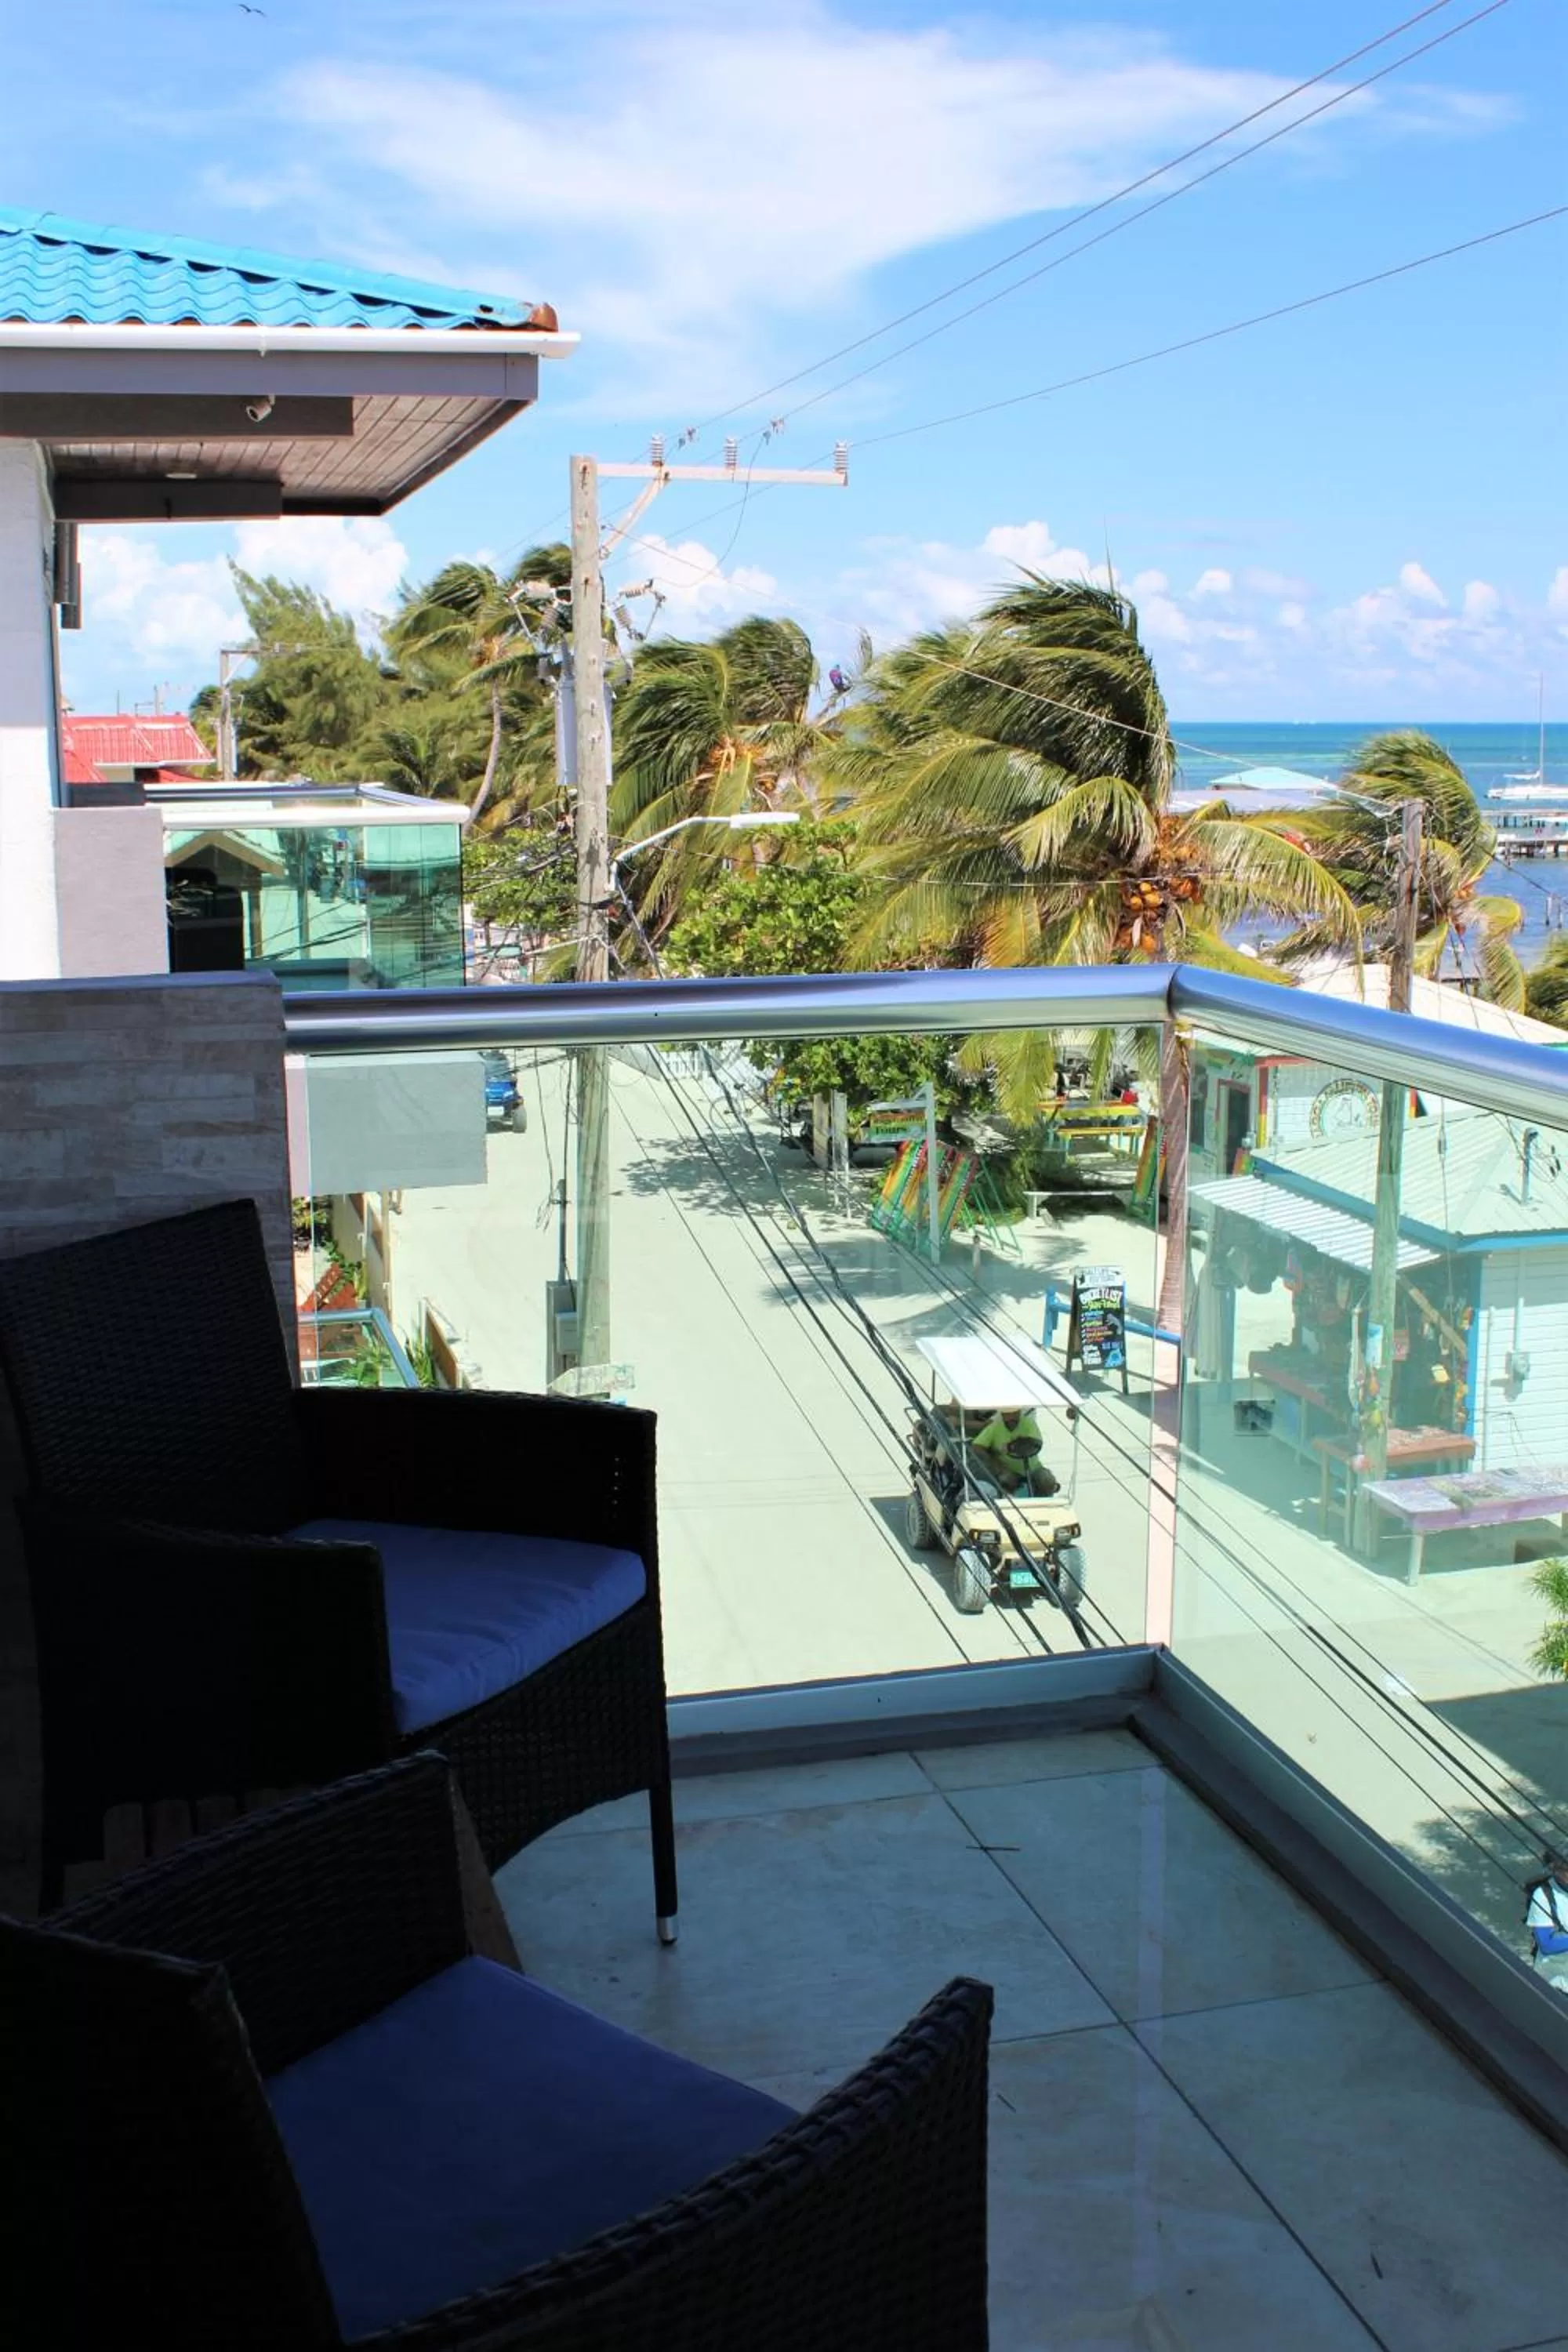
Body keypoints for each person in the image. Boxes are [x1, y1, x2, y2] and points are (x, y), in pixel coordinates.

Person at [969, 1405, 1058, 1497]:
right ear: (1002, 1415)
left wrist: (1014, 1446)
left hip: (1033, 1468)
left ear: (1019, 1413)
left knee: (1047, 1480)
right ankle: (1009, 1502)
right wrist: (996, 1464)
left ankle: (1043, 1505)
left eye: (1014, 1415)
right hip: (1008, 1469)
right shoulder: (995, 1426)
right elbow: (977, 1447)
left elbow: (1036, 1442)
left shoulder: (1028, 1423)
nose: (1010, 1418)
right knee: (1006, 1480)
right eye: (1007, 1415)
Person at [1526, 1852, 1568, 1989]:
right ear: (1554, 1869)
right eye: (1566, 1868)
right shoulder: (1543, 1896)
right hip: (1557, 1985)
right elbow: (1547, 1945)